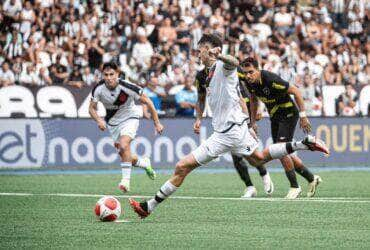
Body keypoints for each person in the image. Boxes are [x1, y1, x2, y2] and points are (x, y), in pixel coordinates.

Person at [129, 33, 329, 218]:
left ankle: (149, 207)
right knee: (255, 159)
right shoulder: (206, 73)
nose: (199, 54)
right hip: (225, 132)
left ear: (211, 50)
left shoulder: (224, 68)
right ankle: (304, 143)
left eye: (201, 50)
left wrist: (221, 55)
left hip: (232, 131)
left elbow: (234, 63)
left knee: (185, 166)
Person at [239, 57, 323, 199]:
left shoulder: (271, 80)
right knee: (281, 151)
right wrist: (252, 122)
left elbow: (295, 91)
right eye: (246, 73)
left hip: (288, 113)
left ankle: (295, 187)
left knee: (280, 150)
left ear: (258, 70)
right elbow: (253, 100)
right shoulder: (250, 83)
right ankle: (311, 178)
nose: (248, 76)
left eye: (251, 72)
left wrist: (303, 116)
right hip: (275, 116)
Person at [195, 62, 273, 198]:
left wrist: (256, 110)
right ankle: (250, 186)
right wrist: (198, 119)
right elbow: (201, 98)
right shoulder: (201, 76)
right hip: (228, 117)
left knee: (250, 154)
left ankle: (264, 174)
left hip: (245, 111)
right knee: (237, 155)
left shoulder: (230, 68)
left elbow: (252, 84)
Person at [89, 62, 164, 192]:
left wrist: (157, 122)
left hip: (130, 118)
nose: (109, 78)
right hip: (112, 123)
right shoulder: (98, 89)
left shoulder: (128, 87)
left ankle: (125, 182)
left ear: (117, 74)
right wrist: (98, 120)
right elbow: (91, 109)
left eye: (112, 74)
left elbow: (148, 102)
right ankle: (143, 162)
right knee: (124, 153)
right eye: (106, 75)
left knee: (124, 145)